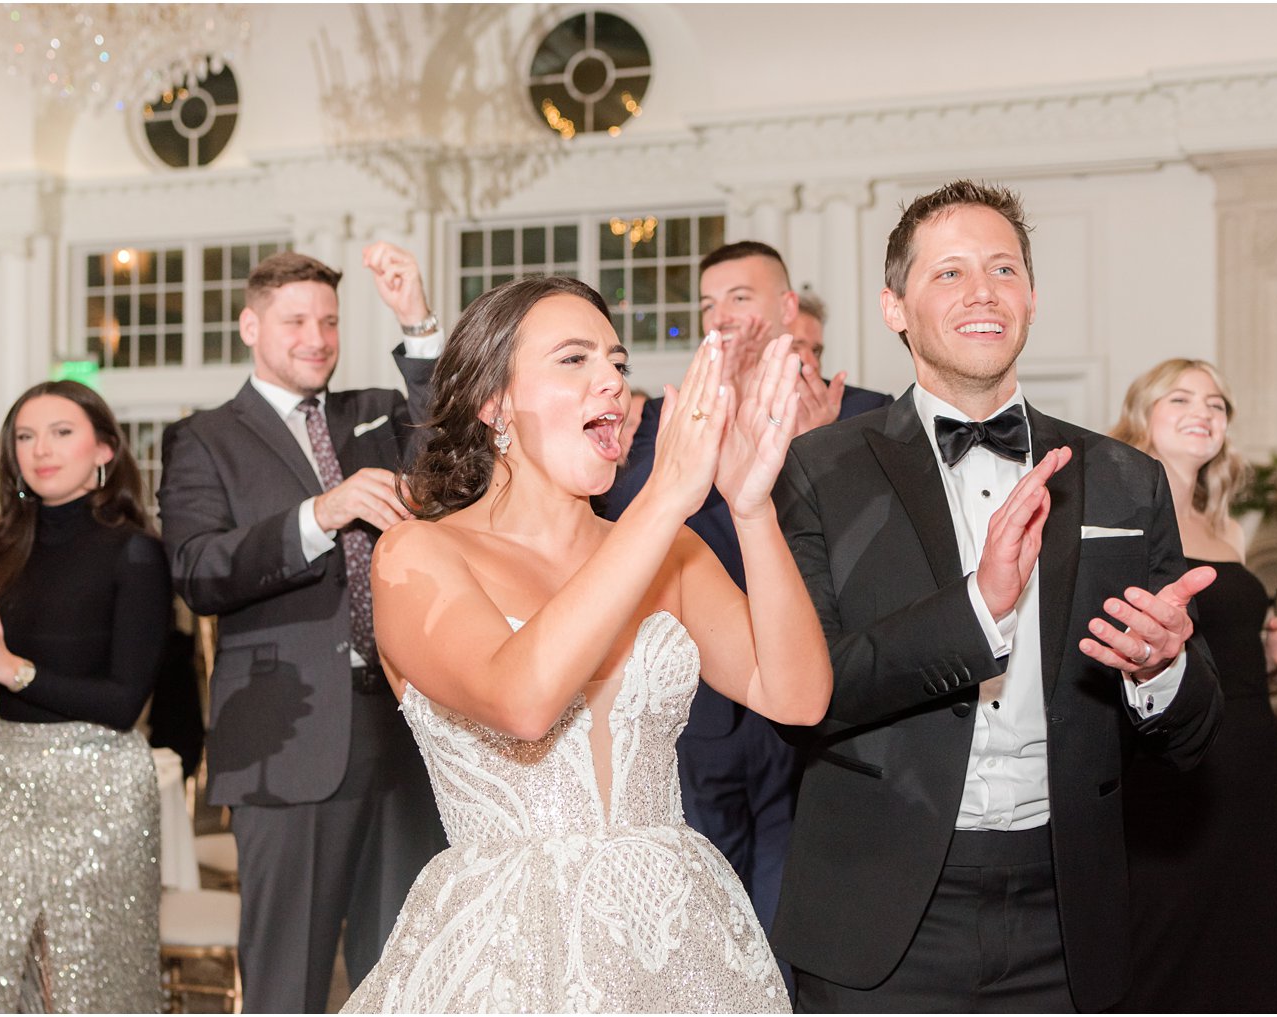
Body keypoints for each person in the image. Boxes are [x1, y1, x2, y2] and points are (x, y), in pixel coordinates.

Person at [771, 180, 1223, 1012]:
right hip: (880, 910)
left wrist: (1160, 670)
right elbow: (808, 692)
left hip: (1068, 906)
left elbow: (1195, 731)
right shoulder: (820, 471)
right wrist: (977, 610)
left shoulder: (1125, 478)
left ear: (1032, 298)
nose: (982, 291)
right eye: (948, 273)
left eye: (1002, 269)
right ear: (894, 307)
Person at [342, 276, 832, 1013]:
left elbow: (797, 696)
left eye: (617, 361)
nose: (610, 378)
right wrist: (665, 495)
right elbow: (522, 700)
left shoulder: (673, 552)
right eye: (574, 359)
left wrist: (751, 507)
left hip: (676, 934)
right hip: (509, 951)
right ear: (493, 403)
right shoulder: (417, 555)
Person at [158, 244, 447, 1013]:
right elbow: (196, 568)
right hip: (285, 743)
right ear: (251, 324)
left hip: (403, 729)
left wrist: (418, 320)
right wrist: (320, 514)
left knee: (406, 970)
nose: (316, 336)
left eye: (328, 319)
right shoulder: (204, 438)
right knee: (288, 979)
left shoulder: (370, 413)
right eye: (295, 320)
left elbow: (452, 447)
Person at [603, 242, 889, 938]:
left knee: (801, 902)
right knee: (713, 905)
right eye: (709, 305)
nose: (722, 316)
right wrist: (700, 429)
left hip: (824, 702)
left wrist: (820, 453)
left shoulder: (866, 415)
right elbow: (625, 522)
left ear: (787, 308)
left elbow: (881, 556)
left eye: (740, 297)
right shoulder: (678, 417)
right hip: (710, 706)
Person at [0, 380, 169, 1012]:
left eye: (62, 432)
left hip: (102, 786)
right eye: (26, 436)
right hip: (9, 778)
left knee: (95, 984)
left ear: (104, 451)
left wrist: (13, 669)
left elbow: (124, 704)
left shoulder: (136, 553)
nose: (41, 449)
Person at [1109, 358, 1277, 1012]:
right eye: (1181, 399)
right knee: (1169, 937)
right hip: (1174, 761)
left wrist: (1274, 652)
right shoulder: (1126, 516)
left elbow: (1231, 652)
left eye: (1216, 403)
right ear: (1143, 418)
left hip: (1255, 758)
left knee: (1251, 934)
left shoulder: (1229, 526)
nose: (1204, 413)